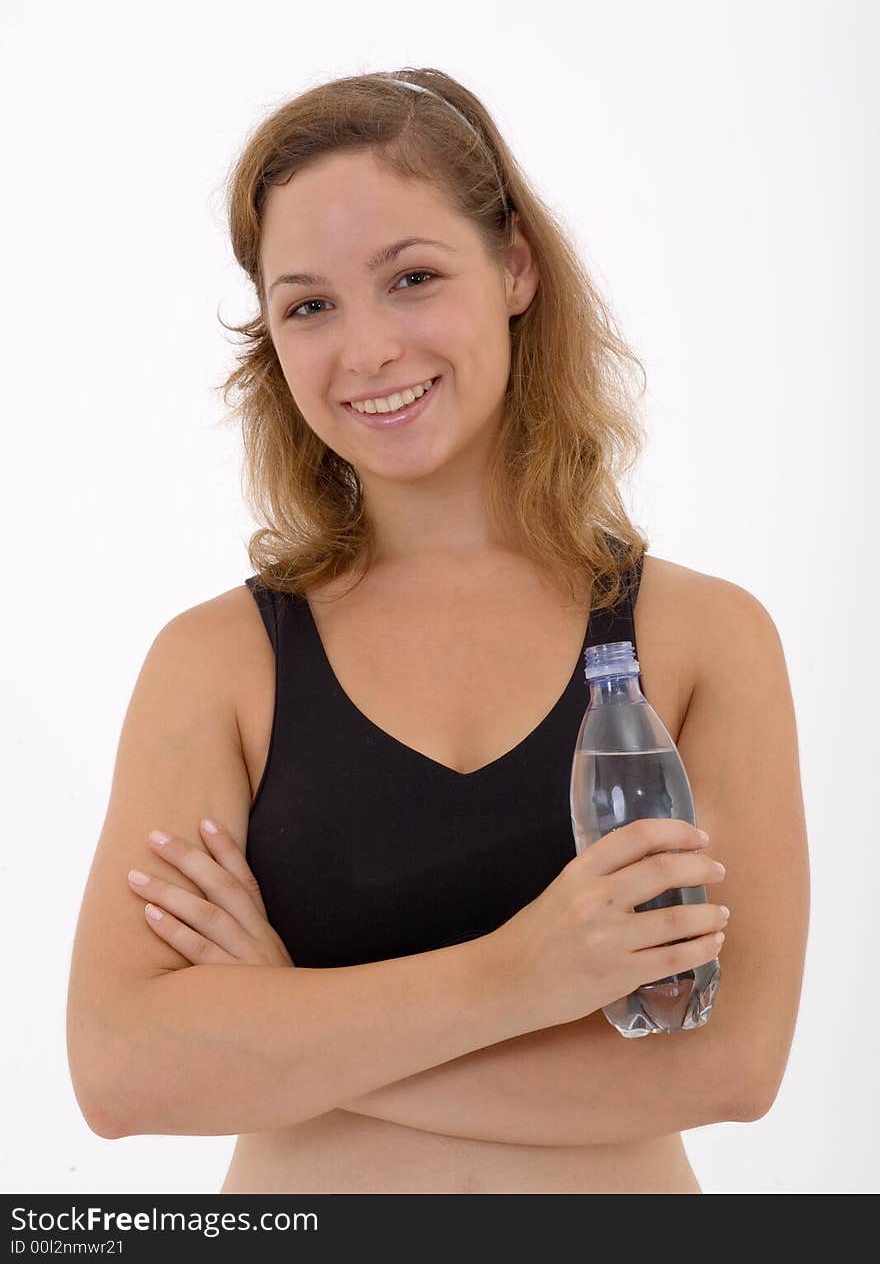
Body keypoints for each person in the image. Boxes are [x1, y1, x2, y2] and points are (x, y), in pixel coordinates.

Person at [66, 68, 809, 1194]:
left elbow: (728, 1062)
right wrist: (521, 973)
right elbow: (122, 1071)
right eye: (308, 304)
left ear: (514, 267)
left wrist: (282, 1031)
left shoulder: (707, 638)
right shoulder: (215, 663)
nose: (364, 350)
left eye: (410, 278)